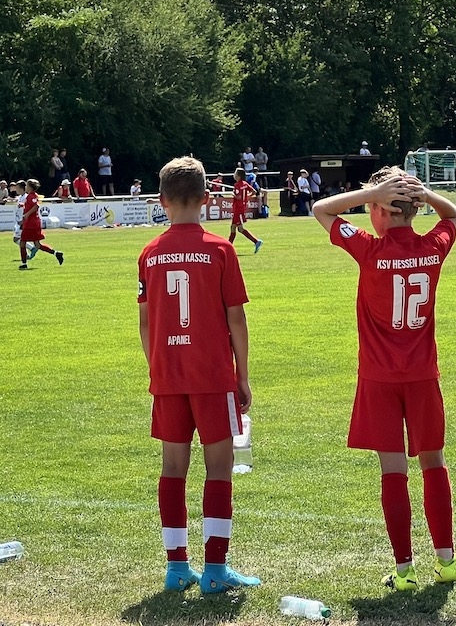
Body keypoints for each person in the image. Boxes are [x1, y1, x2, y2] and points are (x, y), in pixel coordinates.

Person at [312, 167, 456, 591]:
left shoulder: (370, 249)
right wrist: (425, 194)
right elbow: (453, 215)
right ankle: (446, 560)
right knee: (433, 464)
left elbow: (321, 209)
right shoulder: (432, 246)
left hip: (378, 379)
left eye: (371, 207)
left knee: (393, 471)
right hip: (423, 376)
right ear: (414, 209)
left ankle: (404, 571)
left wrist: (371, 192)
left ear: (380, 209)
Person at [136, 156, 260, 595]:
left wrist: (157, 367)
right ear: (207, 199)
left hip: (168, 376)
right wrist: (242, 376)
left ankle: (176, 567)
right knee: (219, 468)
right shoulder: (221, 249)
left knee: (172, 469)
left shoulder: (150, 253)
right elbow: (236, 319)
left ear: (161, 201)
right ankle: (215, 569)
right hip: (212, 374)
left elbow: (146, 323)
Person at [18, 179, 64, 269]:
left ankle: (24, 264)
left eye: (27, 186)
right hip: (33, 223)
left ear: (30, 187)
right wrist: (23, 206)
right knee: (37, 245)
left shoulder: (31, 196)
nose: (26, 187)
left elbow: (36, 206)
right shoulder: (32, 196)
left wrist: (27, 214)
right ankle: (56, 253)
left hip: (31, 224)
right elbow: (32, 205)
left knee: (22, 243)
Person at [227, 168, 264, 254]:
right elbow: (254, 191)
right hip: (241, 208)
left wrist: (233, 194)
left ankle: (256, 241)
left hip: (238, 209)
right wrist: (247, 197)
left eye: (235, 173)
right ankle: (228, 247)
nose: (234, 175)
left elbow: (239, 197)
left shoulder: (237, 185)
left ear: (238, 176)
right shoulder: (245, 183)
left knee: (240, 229)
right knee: (233, 227)